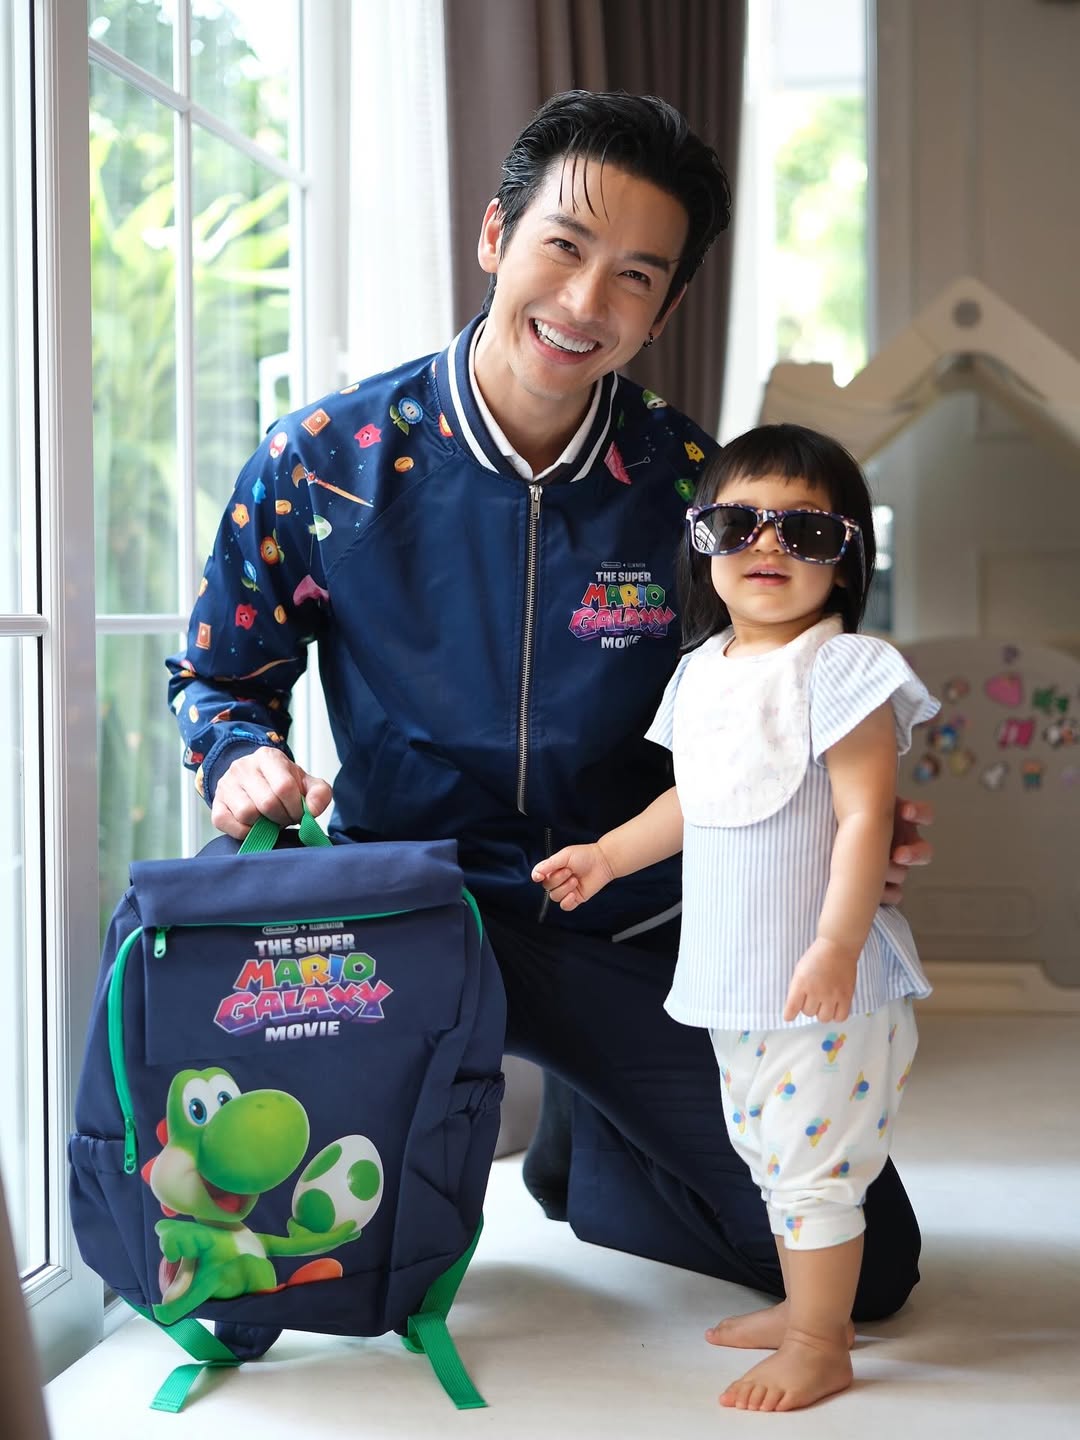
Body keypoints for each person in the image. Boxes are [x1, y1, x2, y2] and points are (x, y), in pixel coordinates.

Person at [167, 91, 934, 1332]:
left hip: (631, 925)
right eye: (564, 247)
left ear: (665, 310)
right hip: (410, 915)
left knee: (869, 1270)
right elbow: (220, 673)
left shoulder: (694, 492)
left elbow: (782, 687)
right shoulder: (322, 464)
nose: (585, 303)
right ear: (496, 235)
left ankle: (594, 1154)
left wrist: (850, 810)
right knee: (322, 1255)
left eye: (635, 276)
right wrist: (239, 753)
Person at [532, 422, 939, 1411]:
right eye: (737, 523)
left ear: (847, 561)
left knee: (812, 1165)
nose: (768, 545)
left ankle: (819, 1342)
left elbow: (864, 818)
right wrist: (607, 855)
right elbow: (693, 798)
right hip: (737, 978)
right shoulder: (702, 669)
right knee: (764, 1147)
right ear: (700, 543)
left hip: (825, 983)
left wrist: (838, 943)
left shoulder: (844, 670)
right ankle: (810, 1310)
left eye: (807, 531)